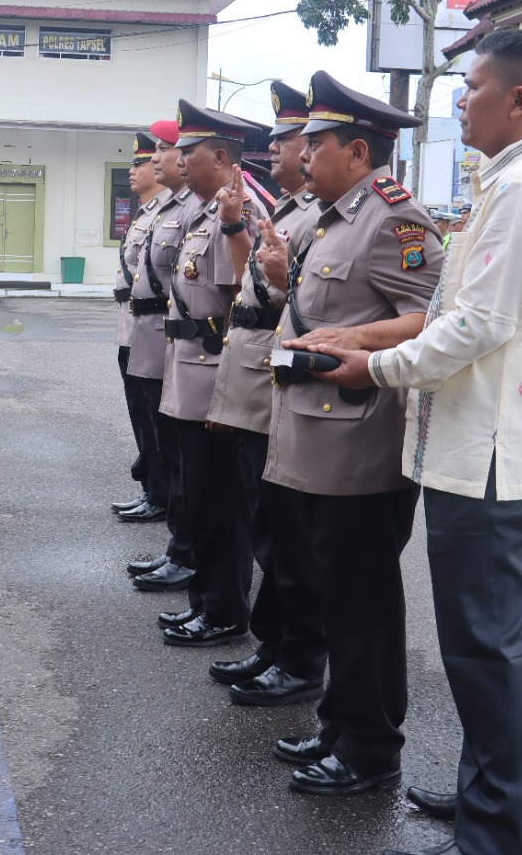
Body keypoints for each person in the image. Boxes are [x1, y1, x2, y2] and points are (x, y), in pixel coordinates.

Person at [305, 28, 522, 855]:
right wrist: (368, 345)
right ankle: (500, 800)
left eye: (471, 88)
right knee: (507, 642)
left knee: (487, 649)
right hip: (490, 444)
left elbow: (478, 324)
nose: (460, 102)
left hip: (488, 453)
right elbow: (465, 311)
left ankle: (496, 830)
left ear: (518, 99)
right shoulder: (520, 181)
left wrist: (378, 367)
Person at [261, 71, 441, 799]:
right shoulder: (337, 217)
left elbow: (431, 318)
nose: (304, 155)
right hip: (314, 439)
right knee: (334, 595)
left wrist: (355, 333)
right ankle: (340, 725)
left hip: (359, 446)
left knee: (363, 602)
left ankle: (371, 750)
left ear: (358, 152)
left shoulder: (396, 221)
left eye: (319, 143)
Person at [206, 80, 325, 706]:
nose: (274, 154)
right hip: (260, 369)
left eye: (286, 143)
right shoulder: (284, 211)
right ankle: (275, 644)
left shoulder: (316, 216)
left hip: (289, 379)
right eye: (277, 144)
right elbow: (244, 287)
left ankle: (295, 654)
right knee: (266, 521)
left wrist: (285, 278)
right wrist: (234, 231)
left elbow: (299, 304)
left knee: (284, 531)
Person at [156, 99, 267, 647]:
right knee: (200, 500)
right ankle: (206, 601)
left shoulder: (233, 218)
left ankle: (224, 610)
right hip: (190, 379)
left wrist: (232, 394)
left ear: (220, 157)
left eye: (188, 151)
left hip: (215, 383)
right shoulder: (205, 214)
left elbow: (241, 304)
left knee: (220, 506)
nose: (178, 161)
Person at [123, 120, 199, 587]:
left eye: (161, 153)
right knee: (162, 441)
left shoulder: (193, 210)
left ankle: (189, 553)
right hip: (157, 333)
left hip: (187, 344)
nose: (151, 161)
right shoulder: (171, 209)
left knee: (182, 459)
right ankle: (181, 547)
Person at [114, 134, 168, 519]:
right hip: (130, 325)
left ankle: (161, 494)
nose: (133, 170)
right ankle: (152, 487)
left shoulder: (167, 213)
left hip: (152, 328)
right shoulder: (146, 211)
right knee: (139, 413)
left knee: (155, 419)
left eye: (141, 163)